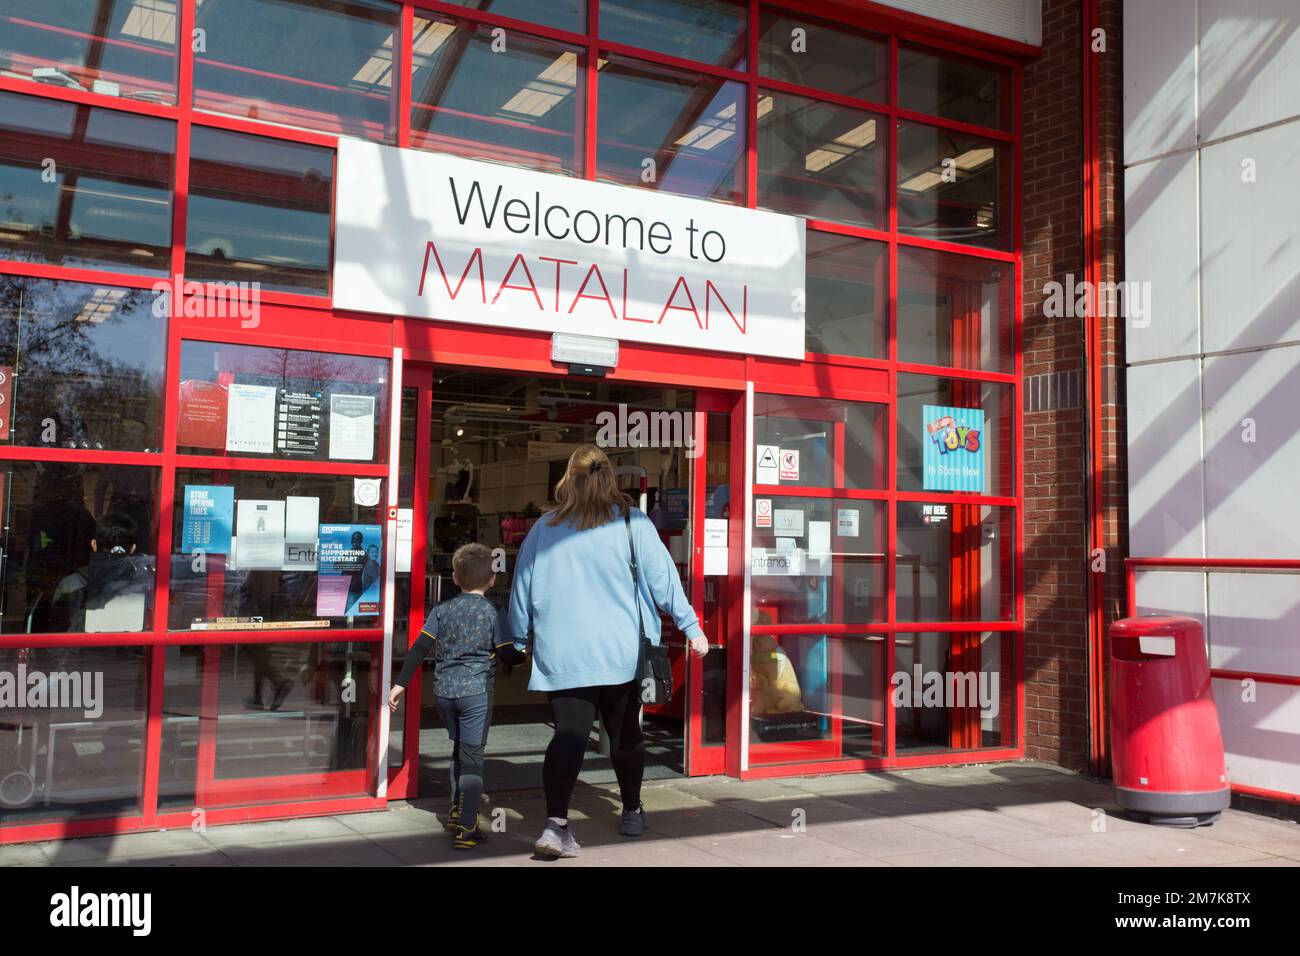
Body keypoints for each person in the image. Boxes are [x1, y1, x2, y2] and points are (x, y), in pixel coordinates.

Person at [508, 444, 708, 860]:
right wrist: (691, 627)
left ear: (569, 478)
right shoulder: (633, 524)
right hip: (619, 652)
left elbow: (521, 586)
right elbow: (664, 582)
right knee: (625, 734)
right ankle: (632, 810)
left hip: (562, 653)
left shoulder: (545, 527)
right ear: (609, 479)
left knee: (569, 736)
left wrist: (518, 638)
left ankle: (556, 824)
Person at [388, 543, 523, 850]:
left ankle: (455, 809)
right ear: (492, 579)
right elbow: (506, 655)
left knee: (458, 749)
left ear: (456, 579)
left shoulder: (441, 609)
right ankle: (466, 826)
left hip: (444, 693)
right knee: (473, 758)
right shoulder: (493, 612)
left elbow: (420, 648)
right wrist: (522, 655)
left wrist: (400, 684)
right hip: (476, 694)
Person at [50, 511, 154, 633]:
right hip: (128, 651)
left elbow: (56, 636)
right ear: (133, 548)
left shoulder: (70, 585)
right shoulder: (146, 586)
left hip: (80, 651)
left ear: (94, 544)